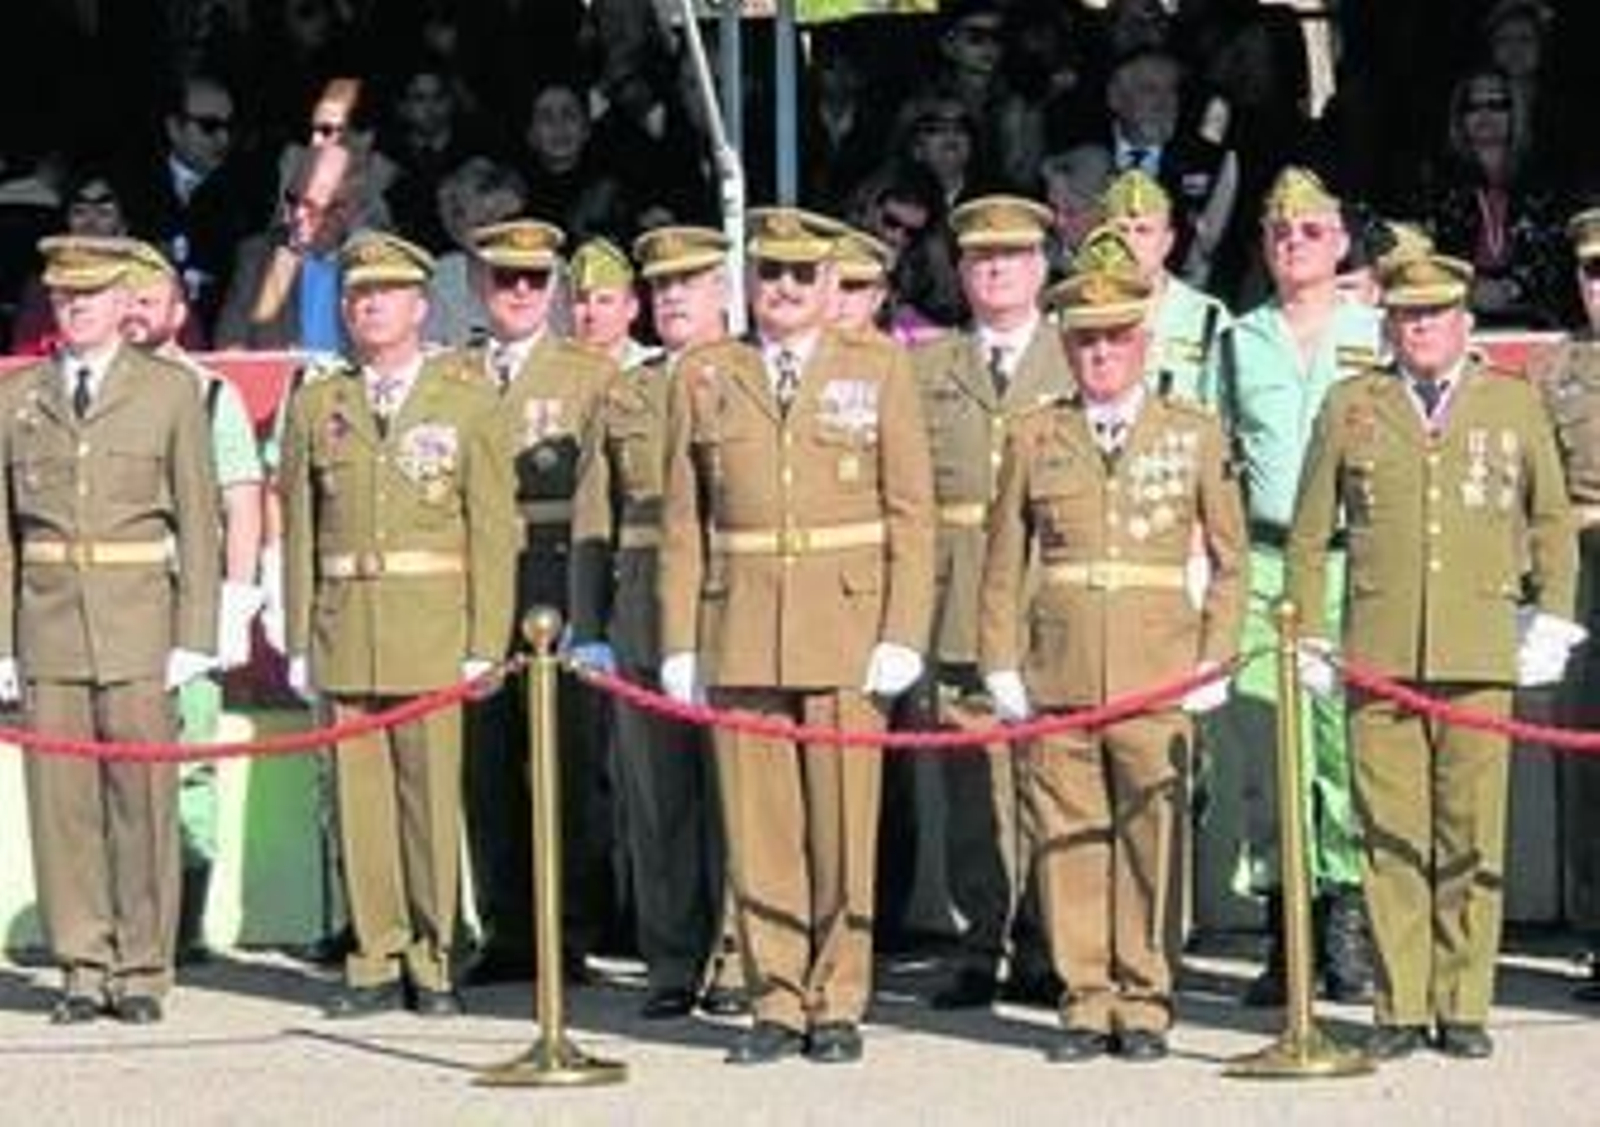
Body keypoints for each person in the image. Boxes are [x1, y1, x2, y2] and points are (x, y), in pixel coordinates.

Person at [657, 206, 935, 1064]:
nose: (784, 289)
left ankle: (838, 996)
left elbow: (911, 513)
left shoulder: (879, 367)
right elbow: (682, 523)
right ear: (748, 284)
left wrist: (902, 627)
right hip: (741, 623)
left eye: (801, 276)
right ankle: (773, 997)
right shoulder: (707, 374)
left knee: (844, 827)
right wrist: (680, 639)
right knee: (760, 826)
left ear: (828, 286)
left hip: (846, 623)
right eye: (770, 274)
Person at [1285, 249, 1579, 1061]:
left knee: (1471, 833)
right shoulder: (1353, 405)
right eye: (1408, 317)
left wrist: (1550, 618)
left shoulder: (1511, 405)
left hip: (1479, 650)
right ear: (1388, 325)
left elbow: (1550, 520)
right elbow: (1311, 534)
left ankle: (1465, 1001)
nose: (1421, 329)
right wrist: (1307, 627)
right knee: (1391, 834)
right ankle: (1401, 1002)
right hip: (1379, 655)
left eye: (1436, 315)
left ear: (1465, 322)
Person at [977, 229, 1247, 1062]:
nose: (1101, 353)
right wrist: (998, 661)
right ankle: (1085, 997)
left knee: (1151, 837)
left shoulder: (1193, 432)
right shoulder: (1034, 434)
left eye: (1116, 337)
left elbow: (1233, 562)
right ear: (1067, 345)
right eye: (1086, 339)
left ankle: (1147, 996)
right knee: (1067, 838)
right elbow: (1000, 562)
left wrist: (1213, 657)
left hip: (1156, 668)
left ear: (1144, 341)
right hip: (1059, 664)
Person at [280, 229, 515, 1018]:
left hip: (431, 625)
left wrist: (487, 639)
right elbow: (302, 528)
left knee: (428, 800)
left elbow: (490, 528)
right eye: (357, 294)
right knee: (359, 802)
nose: (368, 305)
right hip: (348, 621)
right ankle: (373, 954)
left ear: (420, 305)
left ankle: (436, 952)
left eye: (384, 293)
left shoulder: (467, 399)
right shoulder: (320, 404)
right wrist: (299, 633)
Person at [0, 235, 220, 1024]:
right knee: (62, 804)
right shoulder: (19, 397)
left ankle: (140, 965)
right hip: (48, 620)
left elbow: (200, 519)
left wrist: (196, 630)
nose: (76, 306)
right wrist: (0, 642)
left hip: (139, 620)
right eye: (63, 296)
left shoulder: (167, 393)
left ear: (126, 300)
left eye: (90, 295)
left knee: (142, 797)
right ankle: (81, 964)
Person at [1211, 167, 1382, 1007]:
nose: (1295, 243)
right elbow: (1216, 459)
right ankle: (1287, 928)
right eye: (1280, 232)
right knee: (1268, 752)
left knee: (1342, 751)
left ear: (1342, 240)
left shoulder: (1377, 328)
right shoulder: (1239, 339)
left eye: (1312, 230)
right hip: (1266, 559)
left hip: (1352, 561)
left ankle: (1346, 922)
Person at [570, 224, 739, 1020]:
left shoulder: (750, 378)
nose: (673, 295)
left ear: (721, 292)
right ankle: (672, 958)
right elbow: (591, 520)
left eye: (690, 282)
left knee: (744, 799)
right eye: (662, 283)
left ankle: (740, 957)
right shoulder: (627, 391)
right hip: (641, 608)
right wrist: (589, 622)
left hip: (734, 606)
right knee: (658, 797)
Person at [911, 193, 1068, 1010]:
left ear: (1042, 267)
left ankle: (1047, 940)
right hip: (959, 591)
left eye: (1011, 256)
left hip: (1052, 594)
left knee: (1050, 776)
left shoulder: (1077, 355)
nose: (995, 269)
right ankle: (981, 940)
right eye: (979, 258)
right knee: (973, 784)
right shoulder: (928, 367)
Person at [456, 217, 618, 984]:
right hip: (473, 583)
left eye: (535, 280)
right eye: (503, 278)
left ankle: (570, 929)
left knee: (568, 764)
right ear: (474, 284)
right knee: (485, 765)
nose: (519, 292)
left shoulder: (589, 374)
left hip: (556, 573)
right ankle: (506, 927)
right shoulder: (450, 375)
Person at [119, 240, 266, 964]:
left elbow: (241, 502)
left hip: (187, 597)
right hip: (113, 597)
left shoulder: (210, 394)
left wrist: (235, 600)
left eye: (151, 298)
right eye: (127, 298)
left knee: (190, 760)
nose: (136, 312)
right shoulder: (96, 389)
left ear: (179, 310)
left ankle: (183, 919)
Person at [1526, 207, 1600, 999]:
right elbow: (1536, 491)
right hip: (1585, 562)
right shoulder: (1558, 372)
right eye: (1591, 270)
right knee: (1587, 749)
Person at [1100, 169, 1232, 405]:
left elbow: (1225, 414)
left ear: (1167, 242)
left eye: (1143, 230)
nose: (1130, 243)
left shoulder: (1207, 317)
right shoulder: (1070, 314)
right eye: (1120, 230)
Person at [568, 236, 656, 370]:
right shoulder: (548, 369)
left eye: (604, 301)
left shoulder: (658, 366)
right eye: (582, 301)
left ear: (632, 308)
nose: (591, 313)